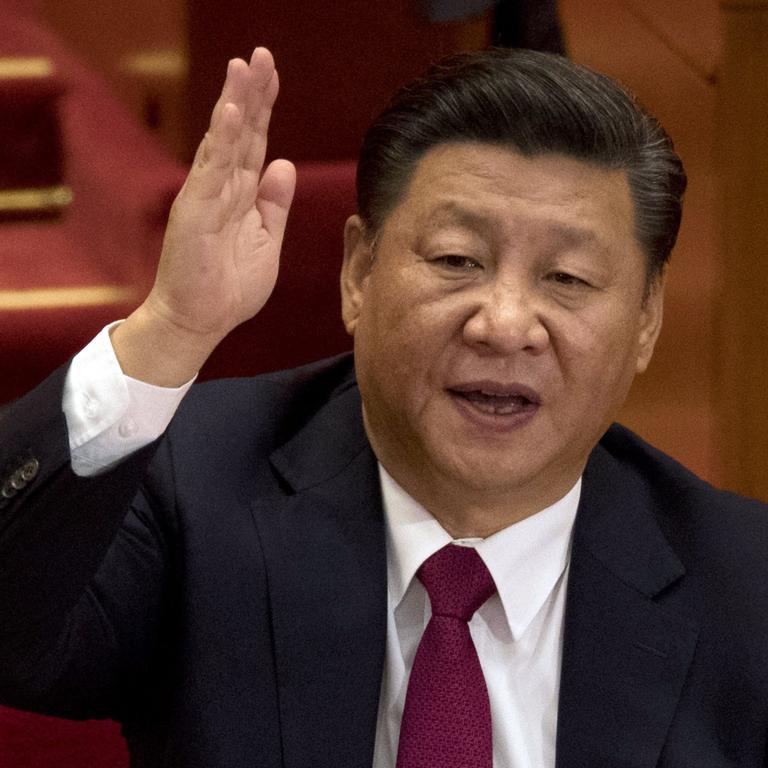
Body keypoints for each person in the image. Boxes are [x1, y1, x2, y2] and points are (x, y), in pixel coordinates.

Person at [1, 47, 767, 768]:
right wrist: (169, 331)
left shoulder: (743, 585)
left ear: (646, 322)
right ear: (359, 273)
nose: (504, 323)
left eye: (567, 278)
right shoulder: (194, 487)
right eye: (456, 260)